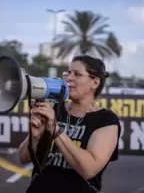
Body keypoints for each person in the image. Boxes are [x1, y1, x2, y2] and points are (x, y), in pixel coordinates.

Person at [18, 55, 121, 193]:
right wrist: (34, 137)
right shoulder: (55, 109)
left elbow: (89, 169)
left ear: (95, 83)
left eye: (77, 74)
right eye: (69, 73)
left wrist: (55, 129)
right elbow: (23, 158)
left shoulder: (106, 120)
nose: (69, 78)